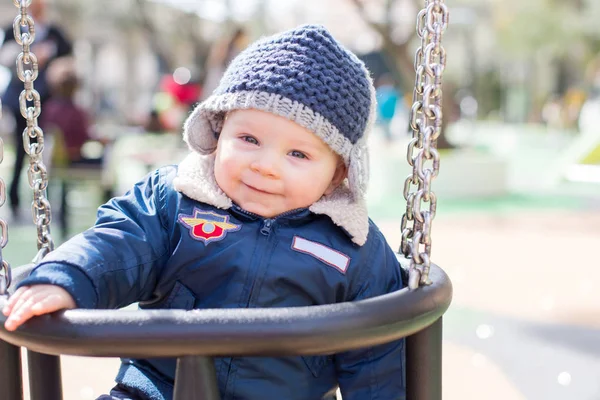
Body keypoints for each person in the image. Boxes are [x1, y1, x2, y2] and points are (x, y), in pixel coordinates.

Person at [3, 25, 406, 400]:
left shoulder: (355, 248)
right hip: (158, 390)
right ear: (217, 131)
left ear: (338, 174)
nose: (265, 165)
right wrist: (66, 278)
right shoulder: (173, 201)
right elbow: (115, 245)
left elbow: (376, 362)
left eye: (297, 153)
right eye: (249, 138)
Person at [0, 0, 73, 219]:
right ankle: (14, 197)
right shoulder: (13, 30)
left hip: (48, 102)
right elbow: (4, 57)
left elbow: (68, 59)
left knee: (47, 150)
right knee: (23, 147)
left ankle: (46, 197)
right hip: (20, 99)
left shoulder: (55, 34)